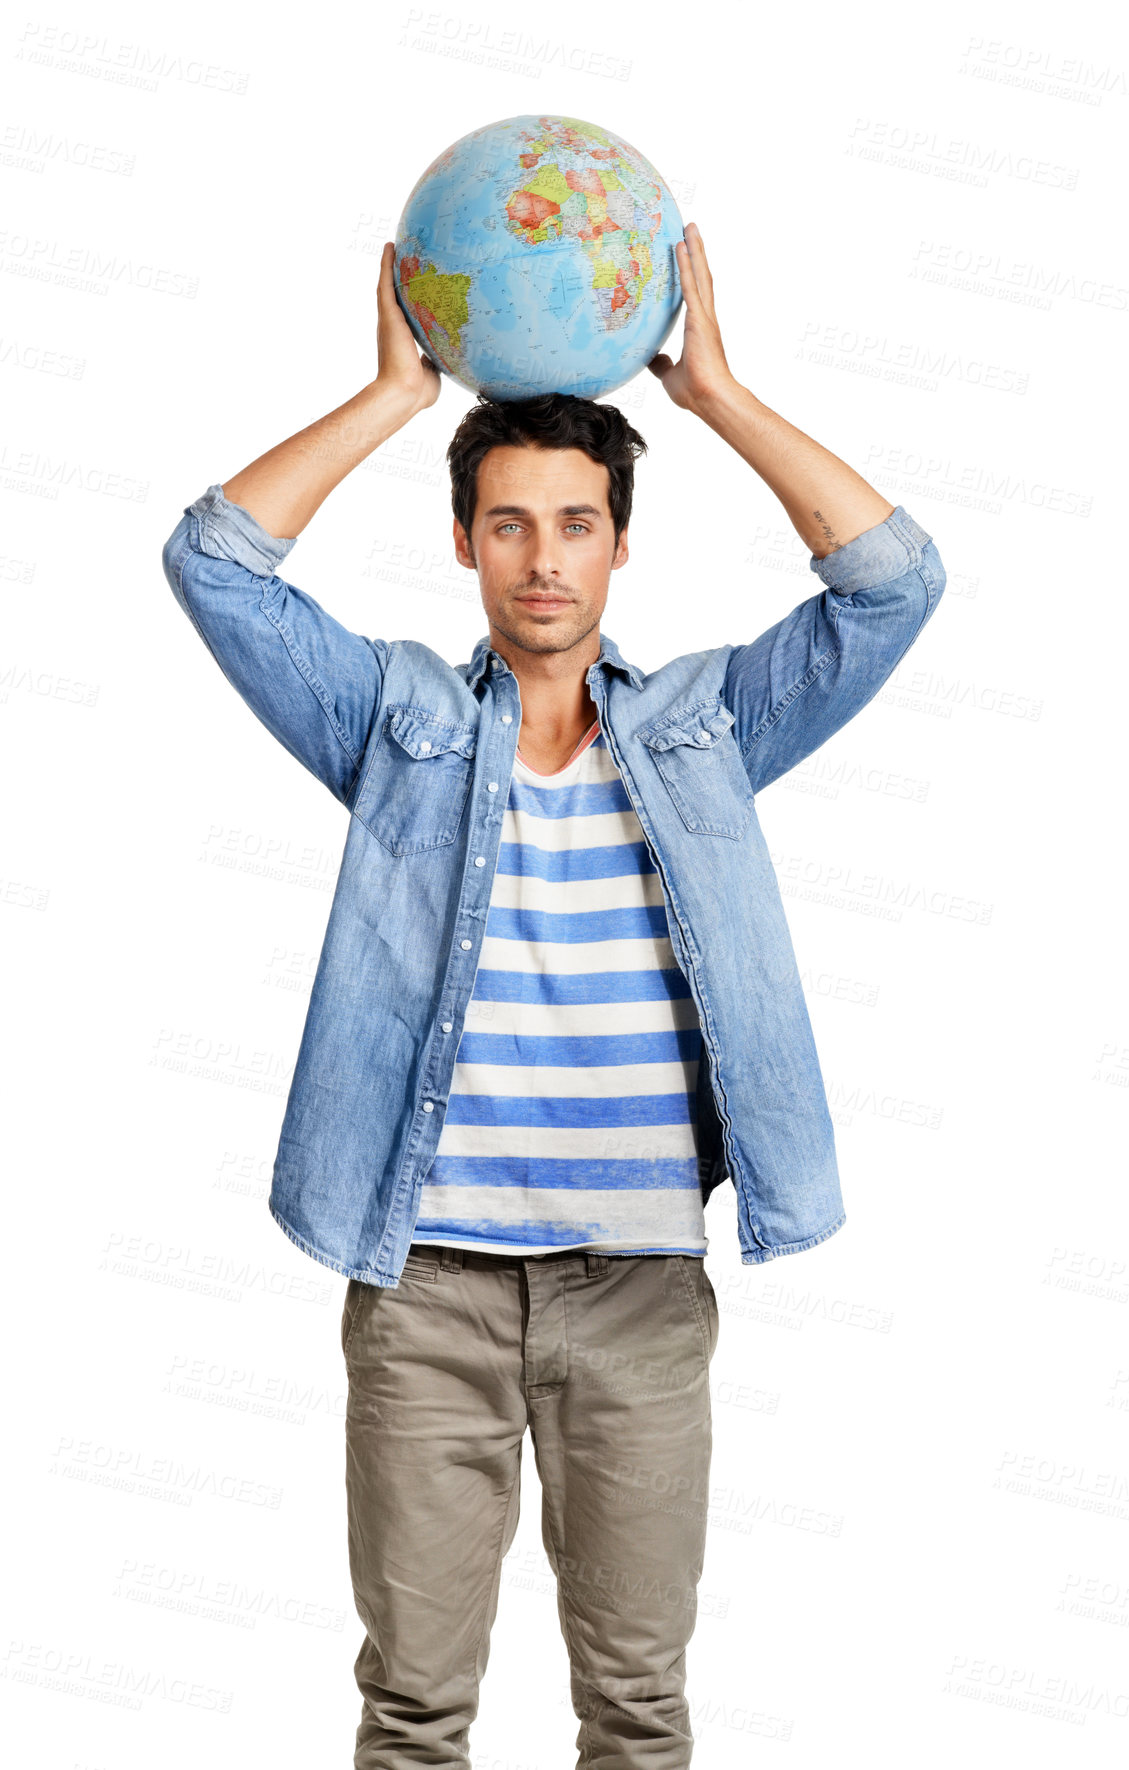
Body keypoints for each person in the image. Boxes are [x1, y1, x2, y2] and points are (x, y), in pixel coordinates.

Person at [161, 222, 946, 1767]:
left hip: (640, 1293)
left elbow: (891, 583)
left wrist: (712, 392)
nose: (543, 558)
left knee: (639, 1712)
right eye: (509, 523)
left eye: (576, 523)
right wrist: (395, 394)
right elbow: (214, 564)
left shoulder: (709, 726)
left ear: (618, 543)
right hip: (428, 1288)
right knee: (411, 1710)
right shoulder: (392, 723)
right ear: (464, 541)